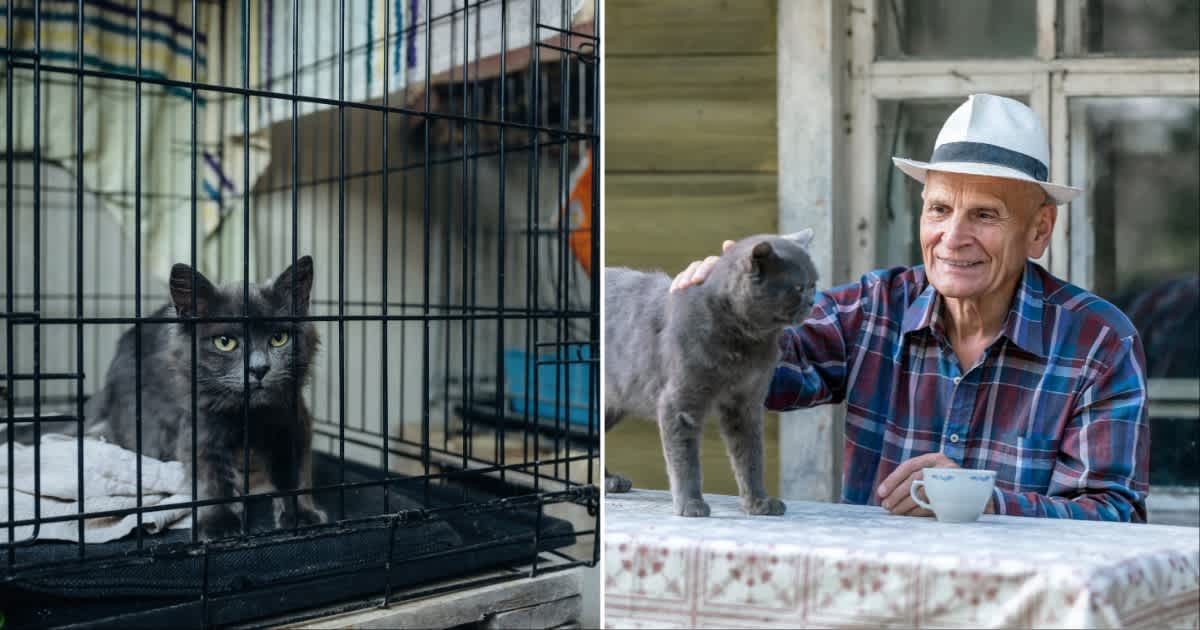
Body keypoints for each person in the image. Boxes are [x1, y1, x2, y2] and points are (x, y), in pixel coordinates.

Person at [671, 94, 1150, 522]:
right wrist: (728, 314)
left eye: (984, 215)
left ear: (1040, 231)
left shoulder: (1099, 342)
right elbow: (764, 382)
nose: (953, 238)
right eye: (939, 210)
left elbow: (1113, 512)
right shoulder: (874, 308)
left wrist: (979, 498)